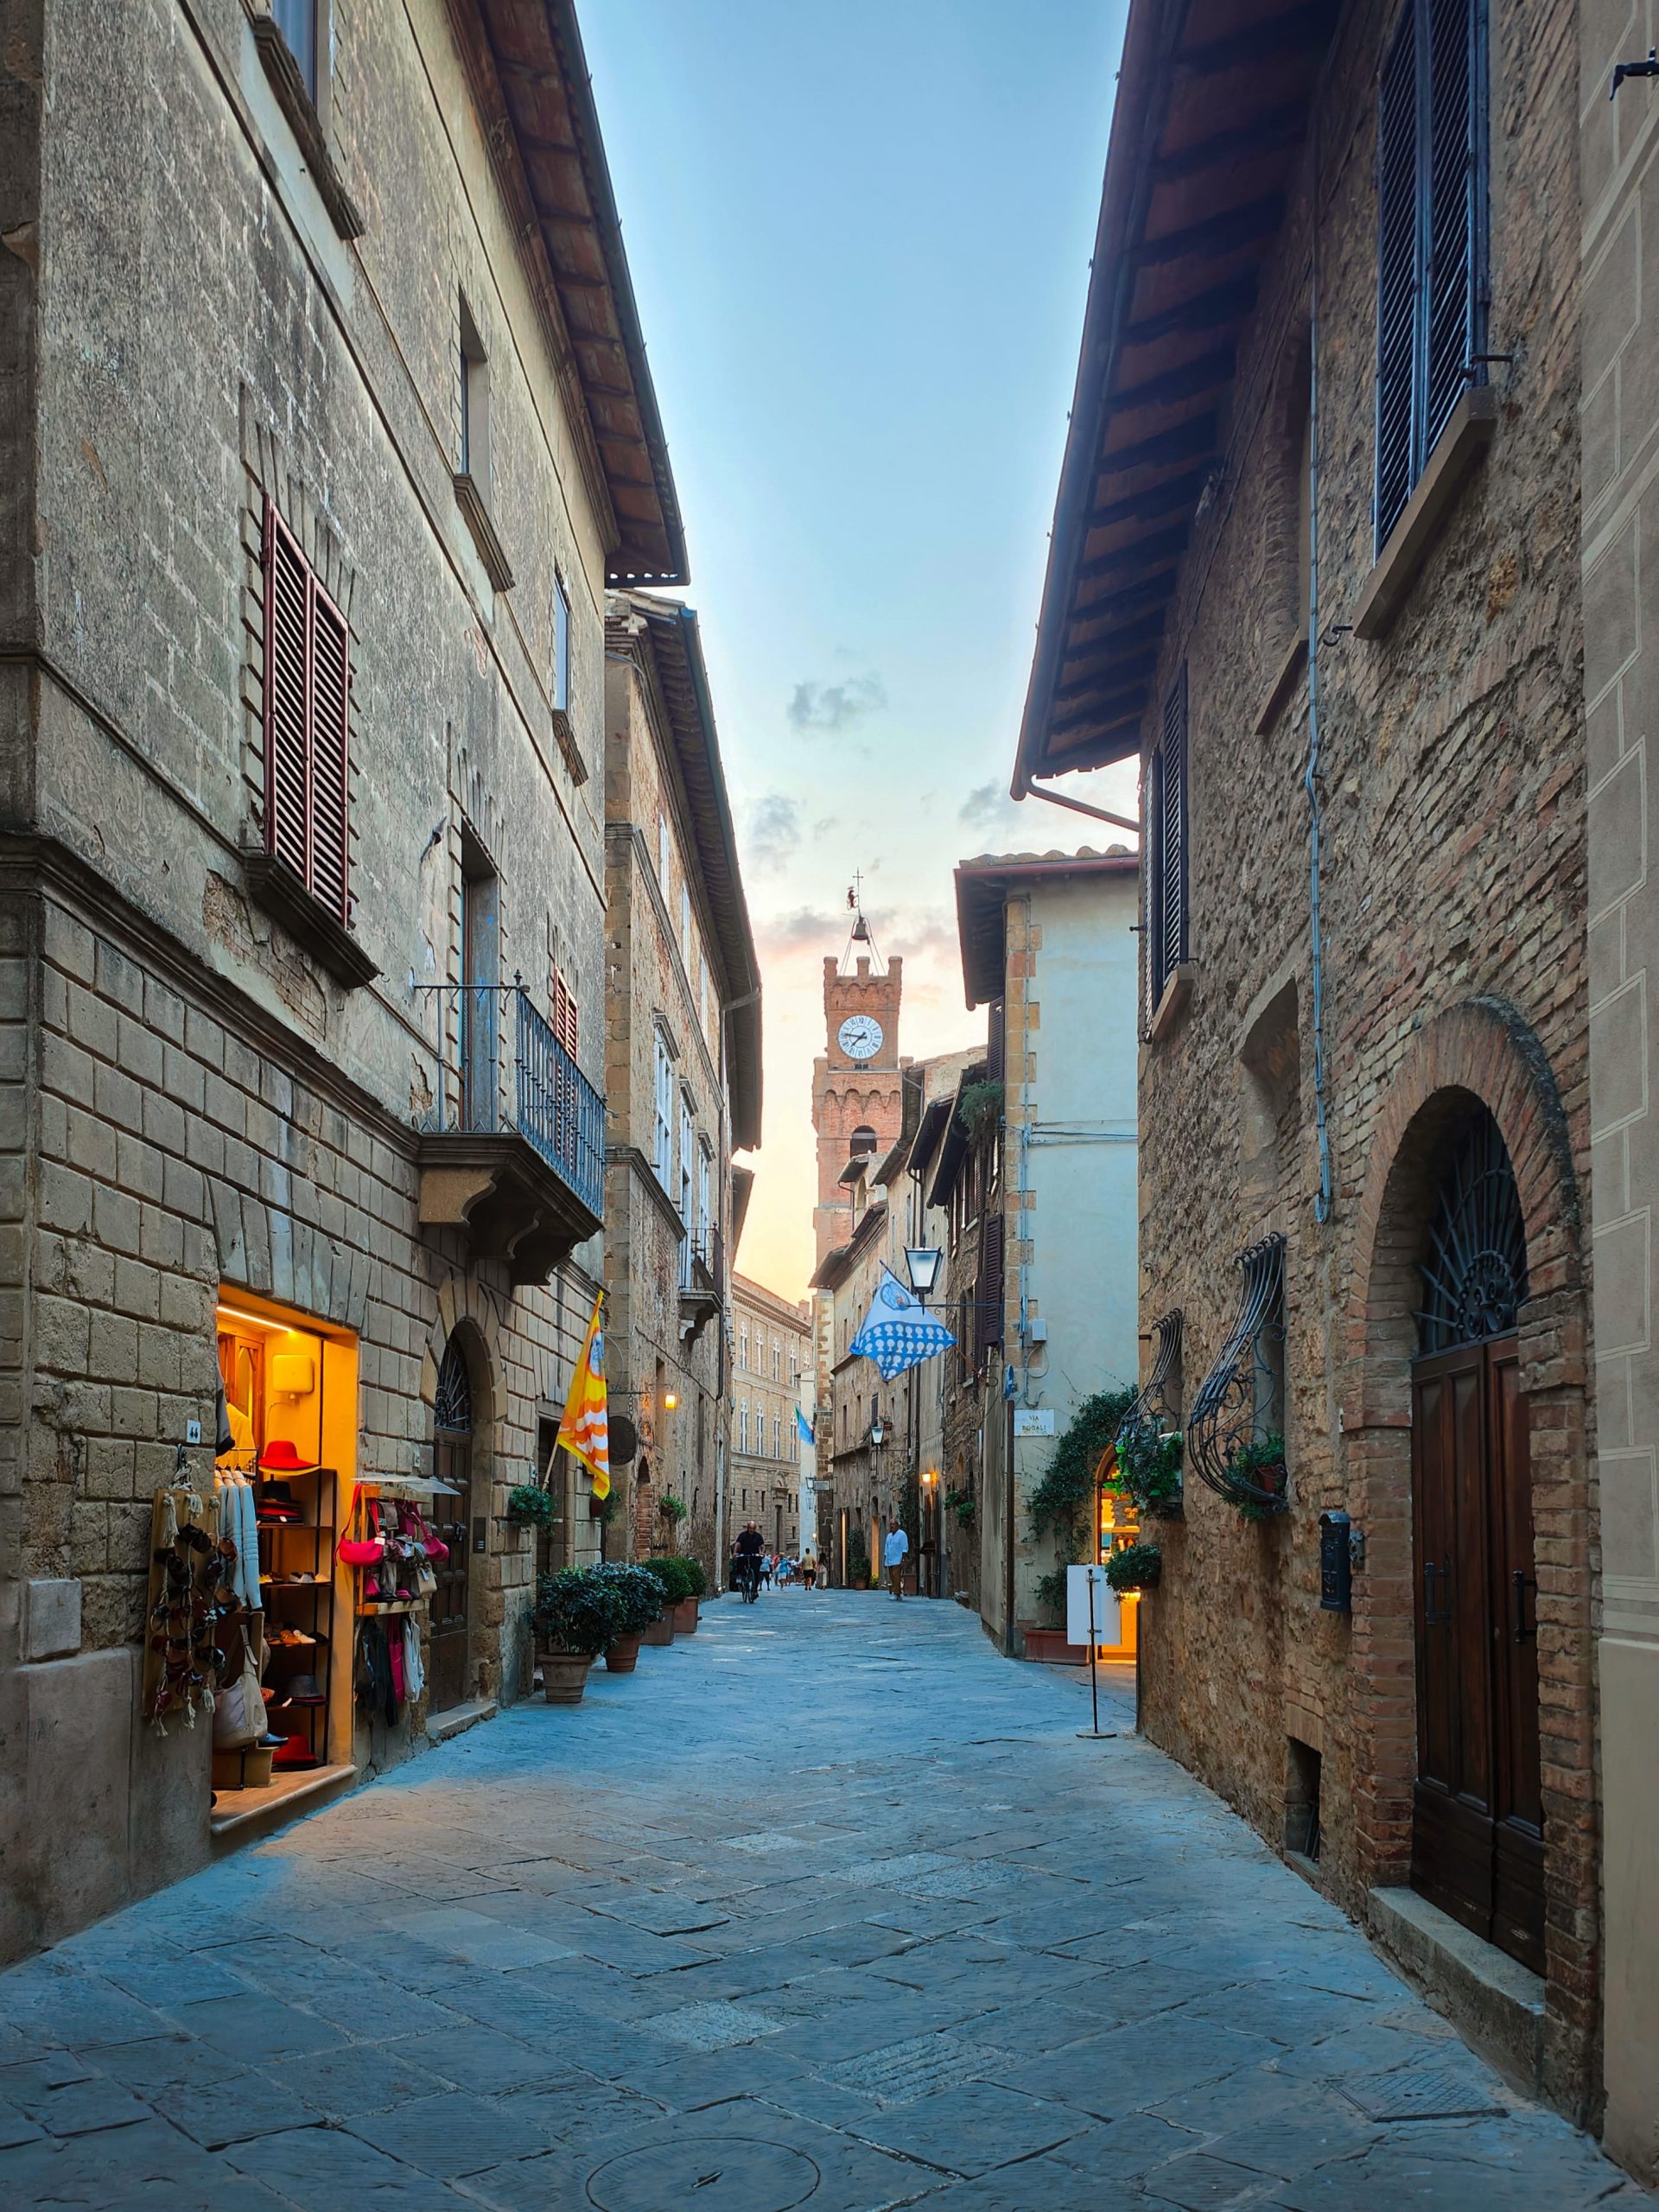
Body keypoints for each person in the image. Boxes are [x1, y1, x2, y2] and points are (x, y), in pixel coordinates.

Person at [733, 1519, 765, 1601]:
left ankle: (754, 1591)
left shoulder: (758, 1536)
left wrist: (762, 1552)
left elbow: (762, 1545)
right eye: (750, 1528)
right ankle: (741, 1579)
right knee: (741, 1565)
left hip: (754, 1556)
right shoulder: (743, 1535)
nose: (752, 1530)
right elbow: (738, 1544)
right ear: (748, 1528)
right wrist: (735, 1552)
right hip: (744, 1554)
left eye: (753, 1528)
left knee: (756, 1573)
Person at [883, 1522, 910, 1600]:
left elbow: (905, 1547)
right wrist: (885, 1560)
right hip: (890, 1560)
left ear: (898, 1525)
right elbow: (886, 1549)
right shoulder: (889, 1536)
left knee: (896, 1577)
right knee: (892, 1577)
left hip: (897, 1559)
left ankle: (896, 1593)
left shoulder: (902, 1534)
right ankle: (896, 1593)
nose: (892, 1526)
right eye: (891, 1524)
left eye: (894, 1524)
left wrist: (903, 1559)